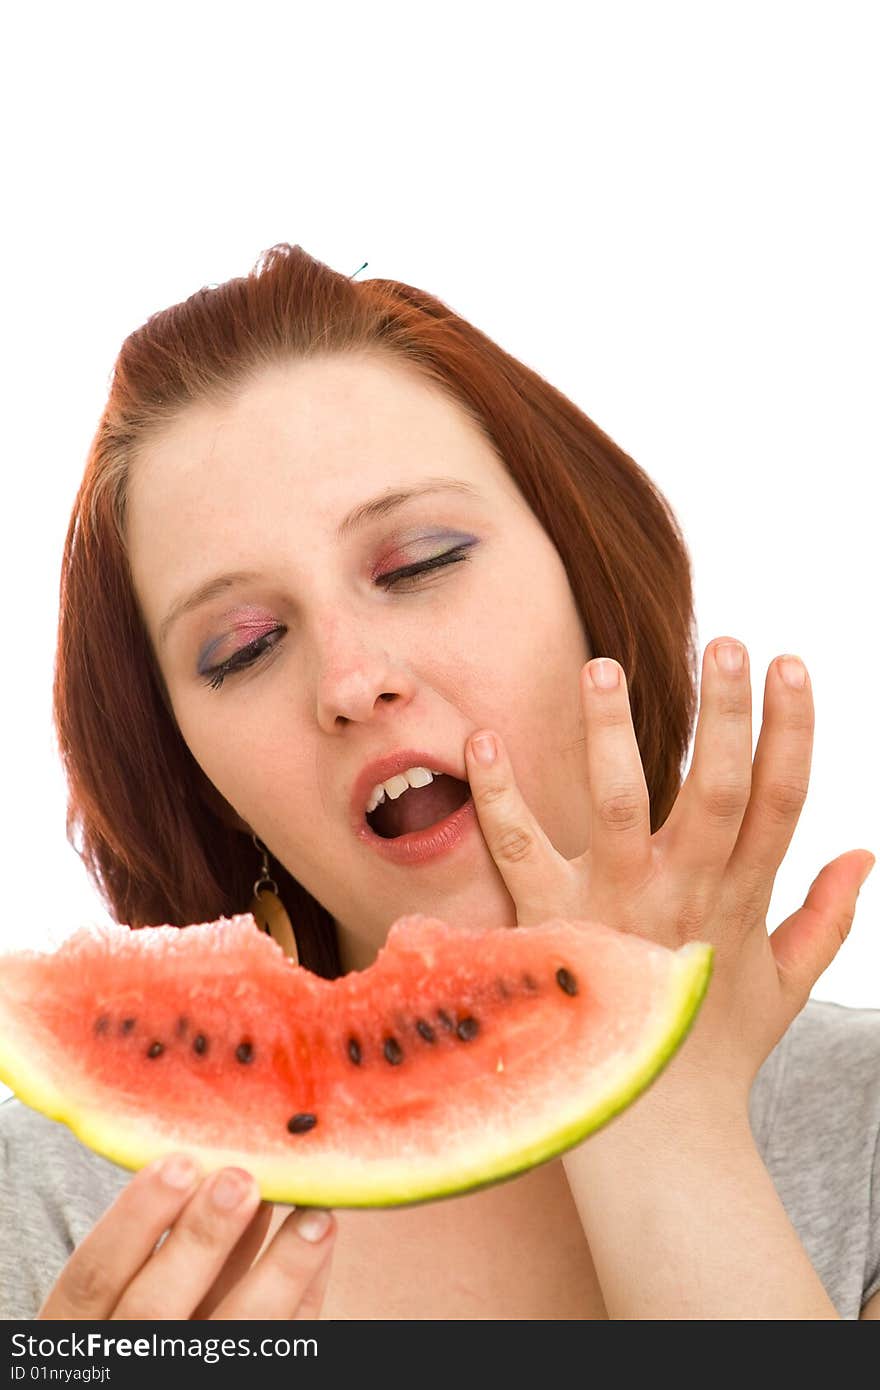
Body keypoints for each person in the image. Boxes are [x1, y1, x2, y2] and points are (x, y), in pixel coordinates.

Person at [1, 244, 878, 1320]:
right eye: (242, 645)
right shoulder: (45, 1206)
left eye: (418, 561)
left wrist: (656, 1109)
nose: (351, 680)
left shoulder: (866, 1132)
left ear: (588, 584)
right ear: (198, 774)